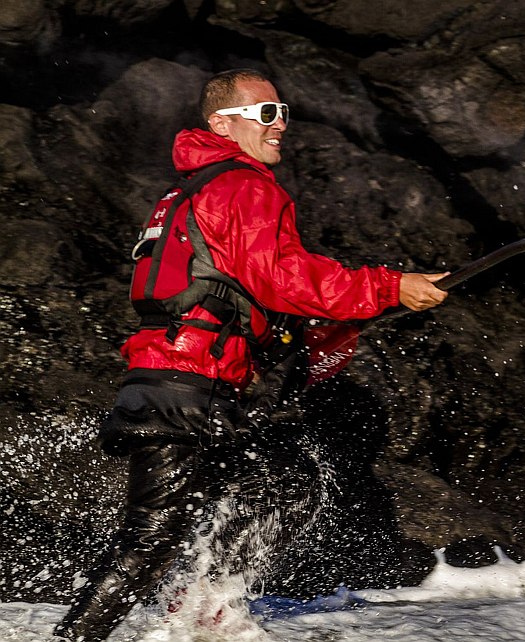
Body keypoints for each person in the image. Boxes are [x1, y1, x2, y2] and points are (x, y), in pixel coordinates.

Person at [54, 68, 448, 641]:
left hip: (182, 381)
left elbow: (241, 288)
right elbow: (282, 277)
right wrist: (389, 287)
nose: (281, 123)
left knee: (282, 481)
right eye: (266, 113)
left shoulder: (194, 187)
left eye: (283, 111)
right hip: (184, 388)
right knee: (149, 542)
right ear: (222, 123)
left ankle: (201, 611)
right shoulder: (244, 185)